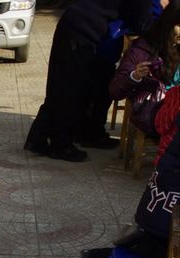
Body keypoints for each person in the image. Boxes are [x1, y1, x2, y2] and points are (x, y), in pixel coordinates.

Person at [25, 0, 155, 162]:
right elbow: (143, 24)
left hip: (75, 22)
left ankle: (38, 139)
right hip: (83, 30)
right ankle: (60, 145)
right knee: (70, 88)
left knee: (63, 85)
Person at [82, 84, 180, 258]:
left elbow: (159, 123)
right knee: (160, 250)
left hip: (156, 210)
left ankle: (109, 256)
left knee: (152, 245)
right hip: (165, 220)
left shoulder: (174, 96)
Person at [109, 2, 180, 136]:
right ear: (168, 24)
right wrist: (135, 76)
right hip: (156, 109)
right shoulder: (144, 49)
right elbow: (115, 91)